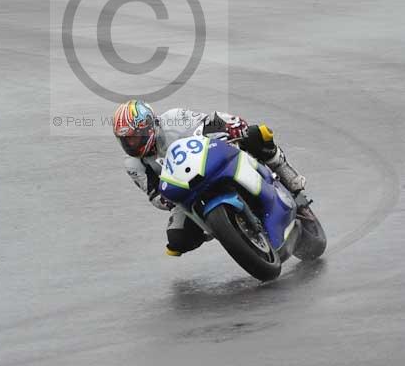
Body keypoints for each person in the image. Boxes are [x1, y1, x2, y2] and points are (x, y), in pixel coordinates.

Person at [113, 99, 307, 257]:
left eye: (134, 137)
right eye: (125, 140)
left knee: (256, 134)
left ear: (148, 126)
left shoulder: (173, 119)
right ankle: (222, 230)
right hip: (185, 191)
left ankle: (285, 172)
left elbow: (207, 122)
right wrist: (165, 198)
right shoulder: (133, 164)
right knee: (177, 240)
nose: (131, 144)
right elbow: (153, 195)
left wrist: (229, 125)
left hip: (208, 161)